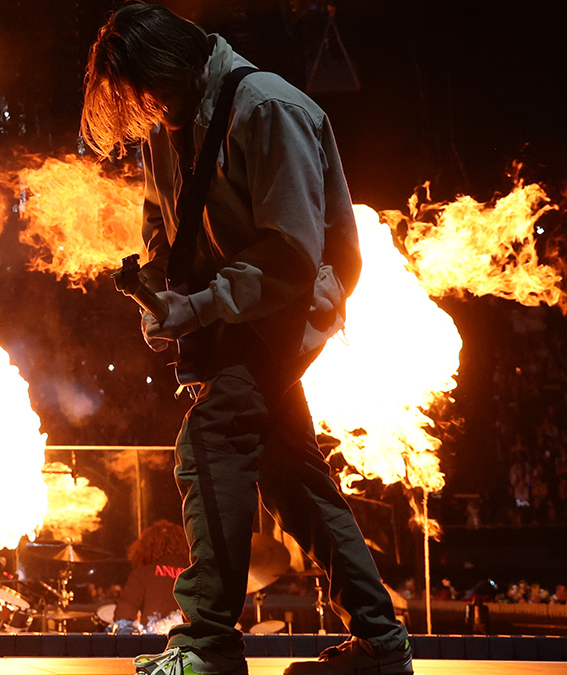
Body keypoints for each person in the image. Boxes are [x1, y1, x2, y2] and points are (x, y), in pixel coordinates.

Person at [81, 4, 411, 675]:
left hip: (283, 310)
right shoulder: (169, 120)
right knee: (294, 478)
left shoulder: (266, 110)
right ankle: (381, 643)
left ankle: (208, 646)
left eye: (148, 94)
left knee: (210, 444)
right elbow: (161, 218)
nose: (146, 113)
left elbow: (291, 257)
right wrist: (158, 293)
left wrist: (196, 308)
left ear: (170, 66)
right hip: (232, 315)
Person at [111, 520, 190, 634]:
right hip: (191, 645)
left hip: (156, 645)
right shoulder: (196, 574)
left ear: (146, 547)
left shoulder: (142, 574)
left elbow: (123, 616)